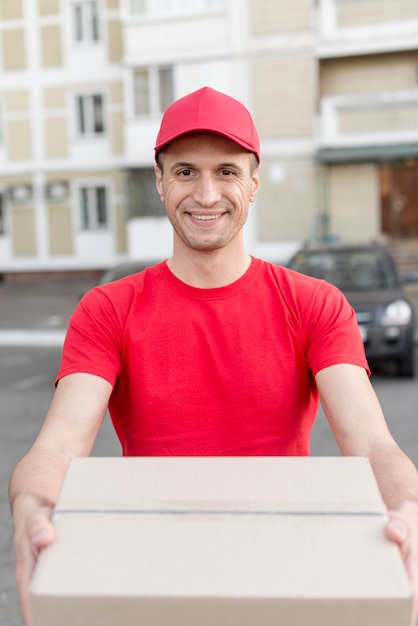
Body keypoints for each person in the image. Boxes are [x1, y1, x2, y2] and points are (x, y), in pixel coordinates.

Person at [9, 86, 418, 625]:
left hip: (285, 565)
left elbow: (371, 442)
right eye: (185, 172)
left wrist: (406, 507)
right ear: (158, 182)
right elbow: (57, 447)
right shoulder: (108, 308)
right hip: (155, 568)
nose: (206, 194)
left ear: (253, 181)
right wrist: (31, 507)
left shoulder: (314, 303)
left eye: (226, 171)